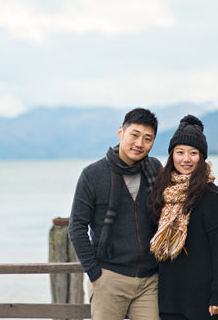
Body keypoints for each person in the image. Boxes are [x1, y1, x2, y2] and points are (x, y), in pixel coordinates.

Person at [69, 107, 163, 320]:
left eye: (148, 139)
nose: (140, 143)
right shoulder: (93, 175)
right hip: (109, 278)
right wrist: (95, 275)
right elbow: (77, 227)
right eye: (135, 135)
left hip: (149, 280)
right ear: (121, 132)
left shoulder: (155, 169)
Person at [150, 115, 218, 320]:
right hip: (168, 297)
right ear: (172, 155)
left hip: (202, 300)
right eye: (180, 152)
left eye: (193, 153)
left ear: (201, 157)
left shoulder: (212, 196)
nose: (186, 159)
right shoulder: (162, 192)